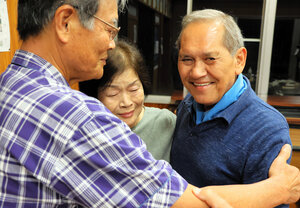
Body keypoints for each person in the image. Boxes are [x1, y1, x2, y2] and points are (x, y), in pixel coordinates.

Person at [0, 0, 299, 207]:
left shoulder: (10, 84)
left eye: (210, 58)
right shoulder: (77, 117)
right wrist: (277, 190)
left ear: (239, 60)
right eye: (110, 28)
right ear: (65, 22)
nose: (112, 43)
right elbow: (176, 201)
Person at [170, 8, 294, 208]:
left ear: (239, 60)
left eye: (210, 58)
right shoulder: (187, 106)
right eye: (187, 59)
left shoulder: (266, 128)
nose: (196, 72)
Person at [80, 39, 176, 162]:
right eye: (113, 94)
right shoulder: (87, 131)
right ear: (94, 96)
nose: (126, 103)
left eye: (133, 89)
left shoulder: (166, 122)